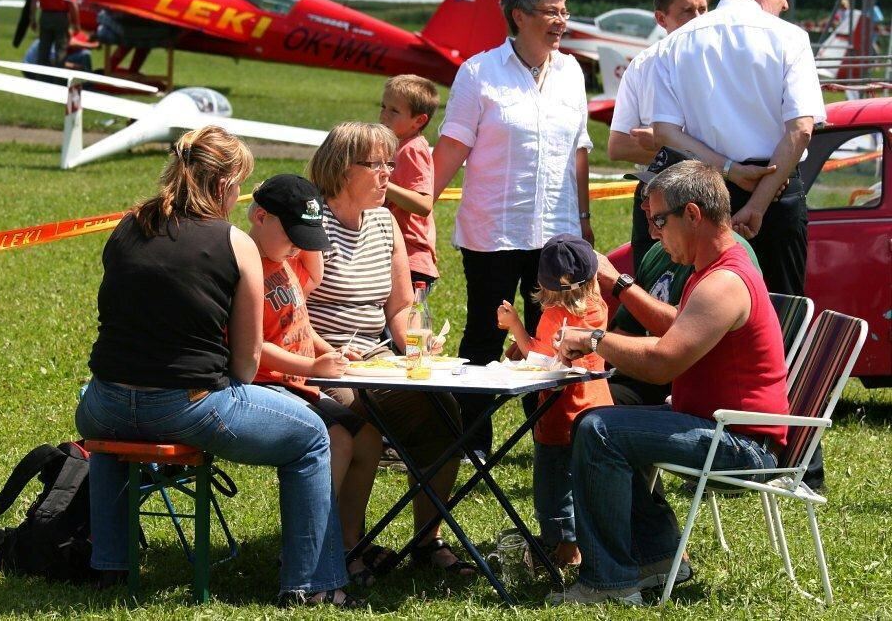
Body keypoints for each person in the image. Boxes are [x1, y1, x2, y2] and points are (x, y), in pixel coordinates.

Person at [75, 127, 358, 608]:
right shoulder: (234, 242)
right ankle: (311, 585)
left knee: (112, 442)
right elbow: (246, 365)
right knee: (312, 435)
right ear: (226, 185)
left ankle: (111, 567)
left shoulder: (127, 226)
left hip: (101, 406)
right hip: (185, 405)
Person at [553, 160, 789, 605]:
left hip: (742, 444)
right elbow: (677, 330)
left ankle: (608, 583)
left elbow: (664, 362)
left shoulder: (723, 282)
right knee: (612, 420)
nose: (655, 232)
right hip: (720, 426)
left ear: (694, 214)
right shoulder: (710, 269)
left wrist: (596, 340)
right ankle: (658, 555)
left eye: (660, 220)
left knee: (600, 431)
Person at [432, 0, 593, 458]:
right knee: (484, 334)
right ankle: (473, 442)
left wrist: (584, 220)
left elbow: (580, 150)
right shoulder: (479, 73)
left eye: (565, 11)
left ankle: (548, 438)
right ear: (519, 16)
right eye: (551, 12)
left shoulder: (572, 73)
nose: (561, 21)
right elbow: (452, 147)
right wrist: (417, 209)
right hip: (494, 232)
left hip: (557, 234)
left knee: (553, 339)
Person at [306, 122, 476, 578]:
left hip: (379, 361)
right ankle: (346, 547)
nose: (388, 174)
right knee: (355, 416)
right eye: (376, 165)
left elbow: (401, 307)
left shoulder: (385, 223)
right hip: (322, 364)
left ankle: (427, 541)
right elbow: (291, 313)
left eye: (389, 163)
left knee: (443, 414)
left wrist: (418, 343)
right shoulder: (311, 224)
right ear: (343, 168)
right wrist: (333, 353)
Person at [652, 0, 826, 297]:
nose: (786, 3)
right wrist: (757, 205)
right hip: (775, 191)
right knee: (780, 313)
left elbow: (665, 133)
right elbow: (801, 129)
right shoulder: (790, 38)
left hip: (699, 194)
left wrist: (731, 169)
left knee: (701, 310)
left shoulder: (674, 43)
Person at [247, 173, 386, 587]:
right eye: (293, 235)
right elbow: (254, 345)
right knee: (339, 440)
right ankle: (307, 553)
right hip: (265, 385)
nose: (299, 245)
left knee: (368, 439)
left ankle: (345, 545)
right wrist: (312, 368)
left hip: (299, 381)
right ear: (258, 217)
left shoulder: (287, 262)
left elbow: (298, 323)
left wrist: (326, 351)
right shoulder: (247, 267)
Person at [606, 146, 760, 408]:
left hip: (689, 393)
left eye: (654, 196)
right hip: (660, 381)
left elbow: (675, 343)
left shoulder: (721, 269)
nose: (644, 203)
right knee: (571, 396)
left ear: (691, 211)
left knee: (593, 419)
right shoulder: (665, 252)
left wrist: (619, 285)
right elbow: (627, 330)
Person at [496, 234, 612, 569]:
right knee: (586, 482)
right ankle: (588, 541)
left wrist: (515, 326)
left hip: (560, 415)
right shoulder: (597, 309)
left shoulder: (554, 316)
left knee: (554, 482)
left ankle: (565, 547)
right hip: (596, 410)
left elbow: (541, 360)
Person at [607, 0, 708, 272]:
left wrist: (668, 143)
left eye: (704, 9)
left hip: (711, 200)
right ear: (661, 19)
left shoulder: (721, 65)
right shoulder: (643, 67)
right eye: (688, 11)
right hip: (662, 200)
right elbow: (618, 146)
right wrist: (677, 150)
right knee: (655, 294)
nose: (699, 18)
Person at [379, 74, 440, 287]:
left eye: (394, 111)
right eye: (383, 106)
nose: (384, 115)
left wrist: (381, 183)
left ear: (419, 120)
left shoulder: (413, 149)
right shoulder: (395, 146)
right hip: (393, 256)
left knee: (405, 321)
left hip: (410, 262)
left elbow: (423, 205)